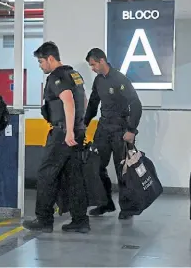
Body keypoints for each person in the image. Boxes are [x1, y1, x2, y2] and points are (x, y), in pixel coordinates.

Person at [23, 41, 90, 233]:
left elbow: (68, 100)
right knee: (74, 176)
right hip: (76, 131)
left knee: (46, 174)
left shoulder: (56, 76)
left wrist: (69, 131)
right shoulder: (73, 74)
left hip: (63, 133)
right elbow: (82, 99)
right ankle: (80, 220)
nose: (40, 65)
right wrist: (79, 125)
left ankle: (43, 220)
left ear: (50, 58)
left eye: (41, 61)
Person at [84, 48, 142, 220]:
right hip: (103, 128)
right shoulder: (98, 81)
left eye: (93, 64)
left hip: (120, 129)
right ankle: (105, 203)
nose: (92, 68)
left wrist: (131, 130)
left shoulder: (120, 79)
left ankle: (127, 208)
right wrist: (83, 125)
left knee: (122, 170)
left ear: (102, 61)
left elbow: (136, 105)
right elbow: (93, 105)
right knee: (96, 166)